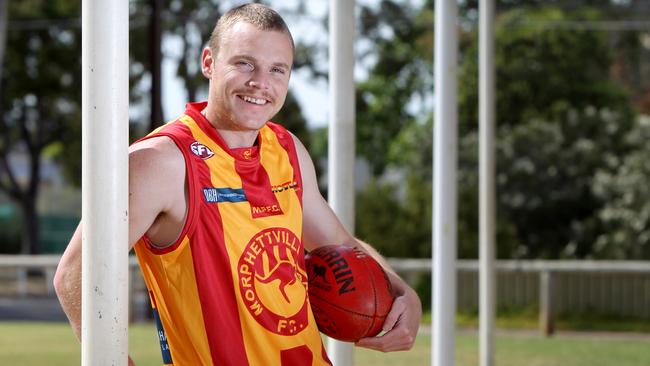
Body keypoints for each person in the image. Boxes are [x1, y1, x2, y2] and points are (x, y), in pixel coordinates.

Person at [54, 3, 421, 365]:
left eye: (278, 70)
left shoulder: (287, 150)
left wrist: (402, 292)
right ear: (209, 62)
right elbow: (74, 274)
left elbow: (339, 245)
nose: (260, 83)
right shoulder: (161, 160)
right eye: (244, 63)